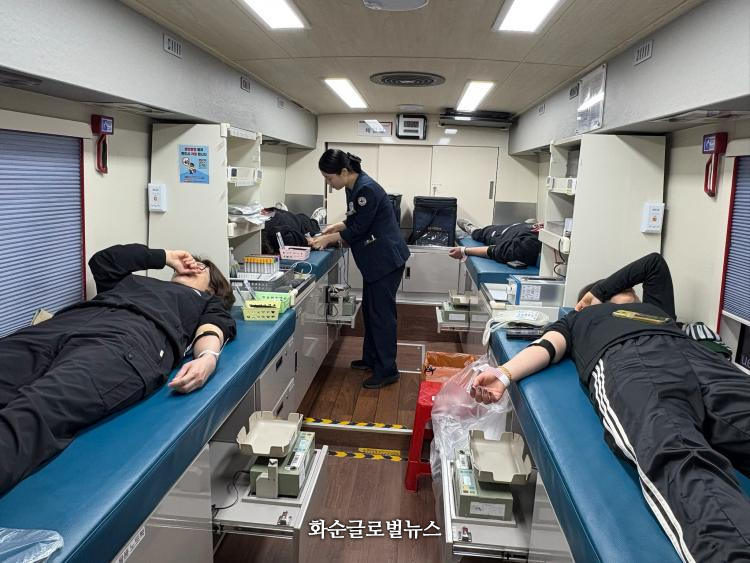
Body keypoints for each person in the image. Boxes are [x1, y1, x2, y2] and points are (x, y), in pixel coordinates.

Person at [470, 252, 750, 562]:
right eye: (618, 289)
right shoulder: (578, 319)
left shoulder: (658, 311)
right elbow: (546, 347)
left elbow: (653, 264)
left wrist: (601, 290)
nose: (629, 290)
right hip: (632, 360)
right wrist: (503, 375)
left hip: (701, 358)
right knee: (675, 448)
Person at [0, 243, 237, 495]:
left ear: (212, 289)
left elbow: (213, 329)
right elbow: (103, 261)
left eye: (201, 268)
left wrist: (207, 359)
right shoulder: (131, 283)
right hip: (62, 325)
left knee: (37, 408)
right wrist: (165, 257)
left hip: (128, 339)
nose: (193, 266)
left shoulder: (205, 302)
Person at [309, 149, 410, 389]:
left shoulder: (366, 189)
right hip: (375, 261)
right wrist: (337, 226)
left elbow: (360, 229)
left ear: (344, 172)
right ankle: (371, 359)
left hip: (385, 260)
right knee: (371, 311)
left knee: (382, 316)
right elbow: (357, 219)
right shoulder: (352, 187)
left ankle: (388, 370)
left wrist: (328, 239)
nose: (328, 183)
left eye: (329, 178)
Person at [448, 219, 541, 266]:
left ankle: (473, 231)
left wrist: (464, 251)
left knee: (484, 233)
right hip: (524, 226)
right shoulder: (541, 232)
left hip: (501, 234)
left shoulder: (527, 247)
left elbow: (495, 251)